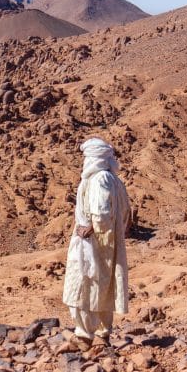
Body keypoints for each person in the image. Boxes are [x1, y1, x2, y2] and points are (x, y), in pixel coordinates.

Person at [62, 137, 131, 350]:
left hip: (91, 242)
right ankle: (103, 333)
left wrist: (90, 228)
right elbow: (127, 212)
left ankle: (84, 336)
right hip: (109, 241)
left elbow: (101, 212)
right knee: (103, 286)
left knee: (83, 285)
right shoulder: (113, 179)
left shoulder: (98, 179)